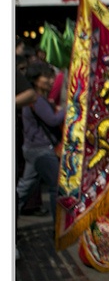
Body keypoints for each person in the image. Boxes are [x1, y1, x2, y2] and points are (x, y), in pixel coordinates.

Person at [17, 61, 64, 218]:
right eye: (47, 77)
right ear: (36, 79)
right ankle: (56, 226)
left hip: (33, 148)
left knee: (24, 188)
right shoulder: (36, 99)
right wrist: (68, 109)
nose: (51, 81)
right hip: (42, 150)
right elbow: (53, 120)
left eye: (51, 77)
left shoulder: (38, 99)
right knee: (55, 186)